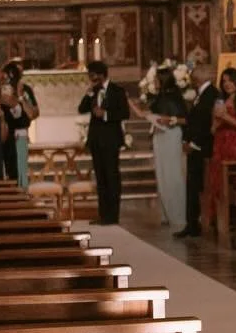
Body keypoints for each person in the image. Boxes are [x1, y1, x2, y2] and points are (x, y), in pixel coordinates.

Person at [78, 59, 130, 225]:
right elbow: (81, 109)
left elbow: (125, 112)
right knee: (100, 178)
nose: (91, 79)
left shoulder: (117, 91)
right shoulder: (93, 91)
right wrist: (89, 93)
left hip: (111, 139)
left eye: (92, 75)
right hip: (96, 140)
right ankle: (103, 215)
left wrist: (105, 114)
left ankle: (113, 216)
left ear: (101, 75)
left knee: (112, 177)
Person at [142, 65, 188, 234]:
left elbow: (183, 118)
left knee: (172, 175)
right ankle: (168, 212)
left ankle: (177, 214)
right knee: (162, 175)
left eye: (156, 79)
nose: (154, 82)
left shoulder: (174, 96)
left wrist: (171, 119)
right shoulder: (160, 97)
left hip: (170, 137)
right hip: (160, 137)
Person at [209, 66, 236, 232]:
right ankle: (221, 222)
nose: (227, 84)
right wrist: (217, 121)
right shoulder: (220, 100)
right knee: (218, 182)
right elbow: (213, 128)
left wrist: (225, 117)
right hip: (221, 143)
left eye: (230, 80)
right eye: (224, 81)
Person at [176, 64, 217, 239]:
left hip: (202, 147)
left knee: (197, 186)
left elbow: (206, 123)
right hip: (195, 146)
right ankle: (192, 223)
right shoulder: (202, 94)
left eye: (194, 75)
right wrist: (186, 140)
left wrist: (193, 143)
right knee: (192, 186)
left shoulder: (211, 95)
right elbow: (193, 121)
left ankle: (196, 223)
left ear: (201, 77)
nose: (192, 77)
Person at [0, 60, 38, 188]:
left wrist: (21, 97)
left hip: (20, 132)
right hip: (6, 132)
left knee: (21, 170)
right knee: (9, 169)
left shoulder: (25, 89)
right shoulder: (2, 89)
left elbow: (33, 113)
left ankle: (22, 195)